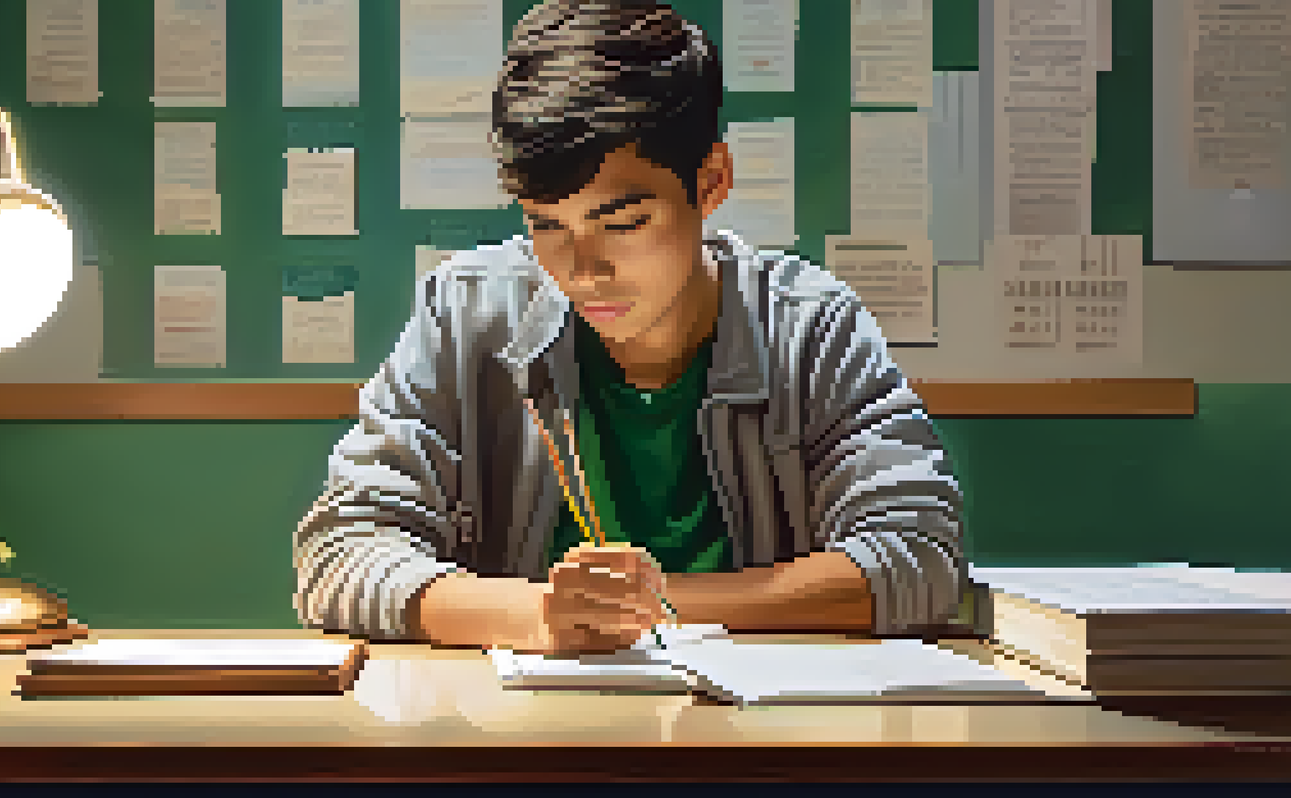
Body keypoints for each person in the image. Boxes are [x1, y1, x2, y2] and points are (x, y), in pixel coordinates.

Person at [295, 0, 967, 656]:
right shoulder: (467, 314)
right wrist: (535, 616)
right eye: (546, 226)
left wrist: (651, 605)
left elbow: (921, 554)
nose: (584, 271)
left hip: (754, 748)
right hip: (520, 746)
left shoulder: (810, 328)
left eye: (623, 224)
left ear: (710, 182)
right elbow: (341, 548)